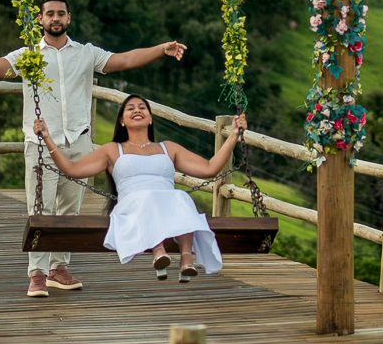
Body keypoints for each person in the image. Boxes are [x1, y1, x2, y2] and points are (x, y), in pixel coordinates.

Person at [0, 0, 187, 298]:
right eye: (50, 14)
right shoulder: (28, 56)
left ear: (69, 19)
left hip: (79, 143)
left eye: (61, 13)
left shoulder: (86, 54)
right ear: (41, 20)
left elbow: (124, 59)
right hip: (41, 144)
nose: (56, 18)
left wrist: (161, 49)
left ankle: (59, 268)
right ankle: (38, 274)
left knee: (71, 209)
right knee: (40, 209)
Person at [34, 94, 247, 283]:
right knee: (148, 198)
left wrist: (235, 134)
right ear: (122, 121)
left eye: (142, 107)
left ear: (151, 118)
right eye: (130, 108)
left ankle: (186, 257)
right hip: (132, 205)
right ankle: (158, 250)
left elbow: (210, 168)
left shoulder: (168, 148)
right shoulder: (113, 150)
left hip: (167, 205)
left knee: (181, 196)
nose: (137, 110)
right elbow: (72, 169)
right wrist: (46, 137)